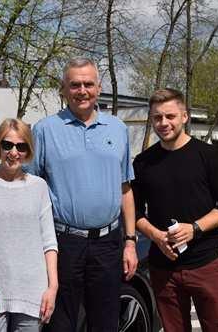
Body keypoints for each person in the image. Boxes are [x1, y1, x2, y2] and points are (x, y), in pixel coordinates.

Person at [25, 57, 138, 332]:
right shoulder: (44, 130)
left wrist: (130, 242)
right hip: (64, 243)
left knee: (106, 323)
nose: (82, 91)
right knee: (60, 324)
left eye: (88, 84)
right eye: (75, 85)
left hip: (108, 243)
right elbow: (30, 191)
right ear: (63, 89)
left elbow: (126, 189)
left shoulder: (118, 129)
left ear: (99, 88)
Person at [131, 88, 218, 332]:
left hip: (206, 263)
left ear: (185, 117)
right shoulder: (143, 162)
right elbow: (134, 212)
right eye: (157, 117)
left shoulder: (208, 155)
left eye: (170, 116)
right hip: (162, 267)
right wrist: (156, 236)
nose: (163, 123)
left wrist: (195, 228)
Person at [0, 118, 58, 332]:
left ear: (28, 150)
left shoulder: (39, 187)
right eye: (8, 145)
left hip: (31, 291)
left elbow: (49, 242)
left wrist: (52, 287)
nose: (14, 152)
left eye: (21, 146)